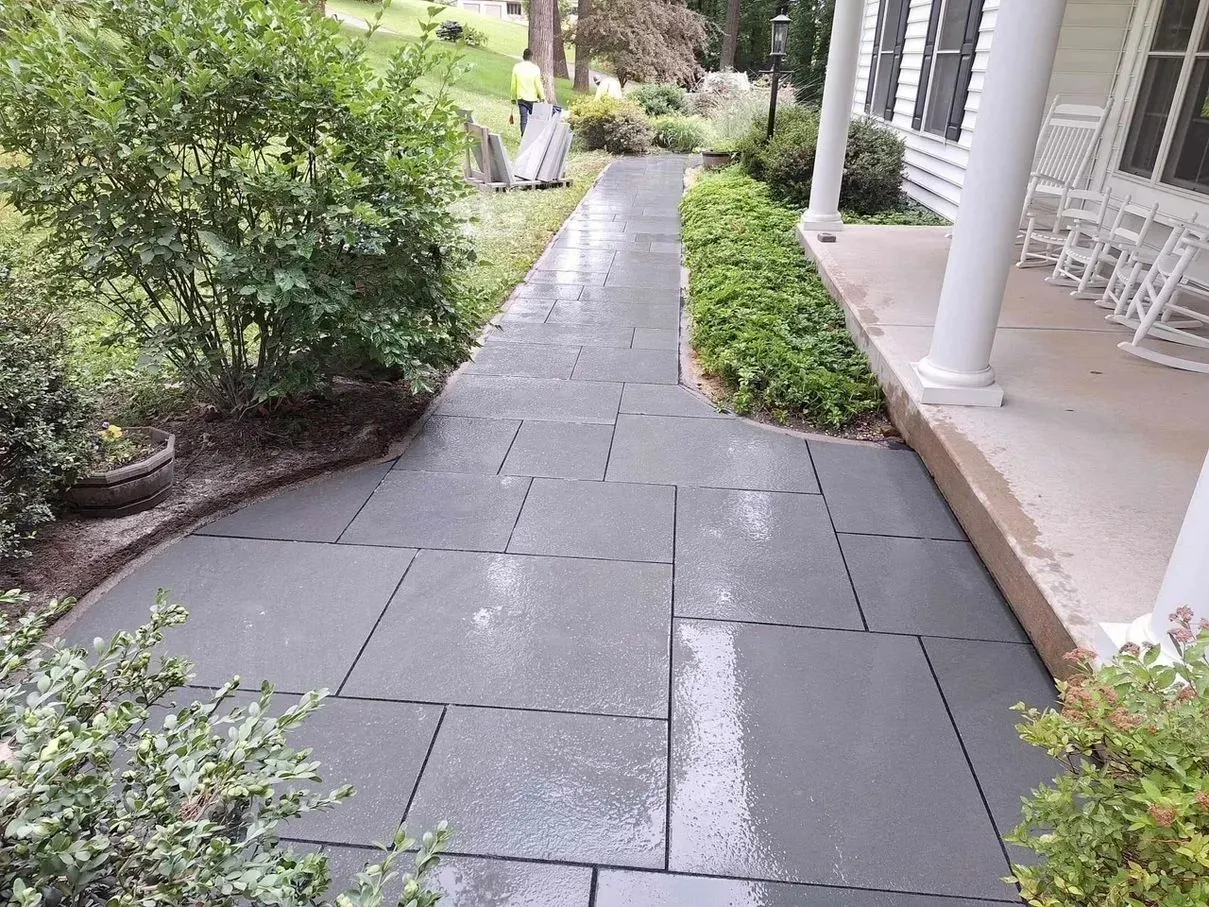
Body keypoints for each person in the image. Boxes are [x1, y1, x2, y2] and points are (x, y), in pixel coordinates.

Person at [510, 49, 545, 135]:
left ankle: (524, 136)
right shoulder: (535, 69)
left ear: (523, 56)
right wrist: (542, 96)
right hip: (533, 98)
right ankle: (532, 136)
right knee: (534, 120)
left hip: (521, 98)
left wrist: (513, 97)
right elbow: (538, 84)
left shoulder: (517, 67)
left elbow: (513, 84)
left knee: (523, 119)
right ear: (531, 57)